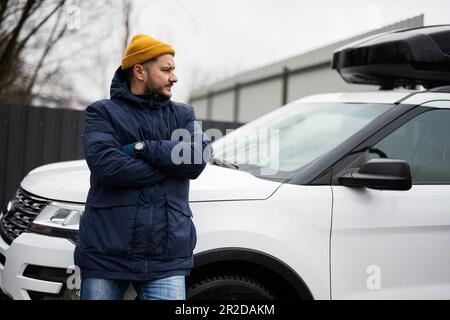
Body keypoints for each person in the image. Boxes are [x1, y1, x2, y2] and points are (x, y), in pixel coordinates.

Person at [74, 34, 212, 300]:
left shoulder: (183, 115)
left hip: (166, 257)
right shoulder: (102, 113)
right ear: (139, 71)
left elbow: (196, 158)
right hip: (105, 254)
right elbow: (107, 166)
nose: (174, 77)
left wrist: (143, 149)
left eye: (173, 69)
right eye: (166, 69)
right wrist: (169, 166)